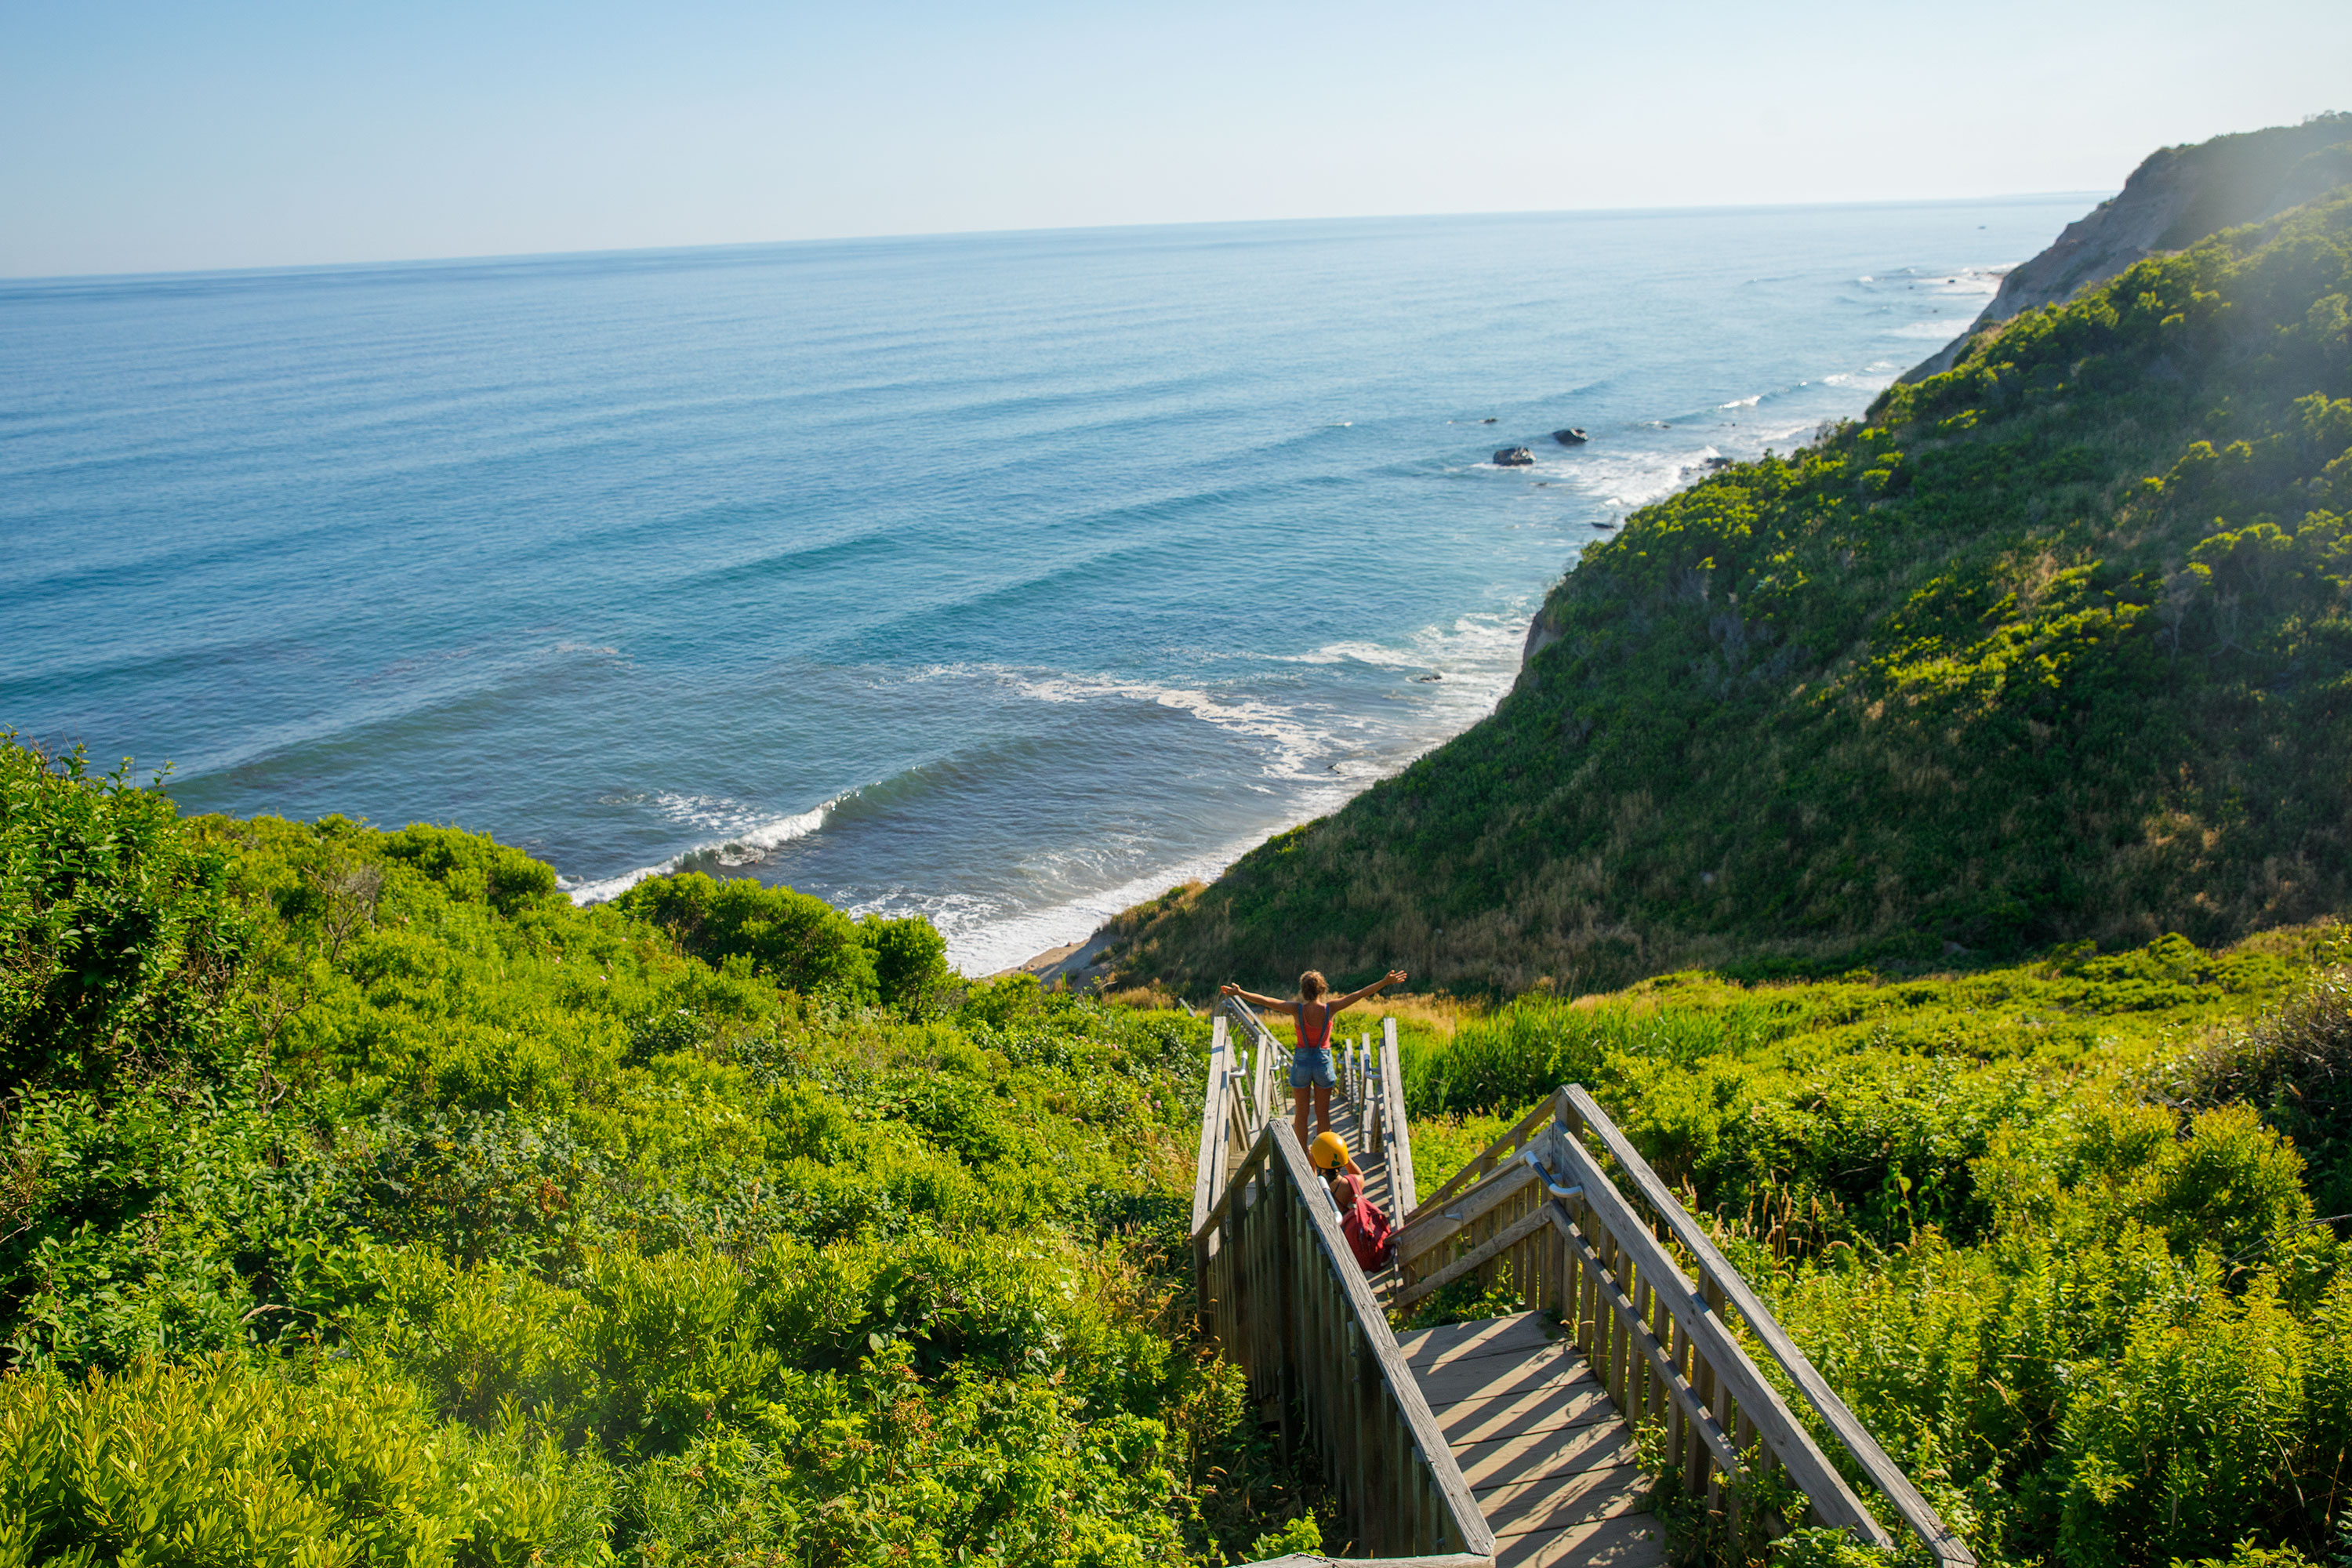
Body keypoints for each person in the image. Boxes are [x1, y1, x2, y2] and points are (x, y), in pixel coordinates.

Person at [1221, 968, 1406, 1153]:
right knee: (1323, 1115)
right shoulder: (1330, 1009)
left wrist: (1241, 993)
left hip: (1301, 1062)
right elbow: (1359, 994)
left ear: (1303, 990)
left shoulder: (1296, 1009)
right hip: (1323, 1062)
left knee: (1301, 1115)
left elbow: (1267, 1001)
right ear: (1323, 989)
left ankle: (1302, 1160)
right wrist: (1384, 982)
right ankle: (1324, 1158)